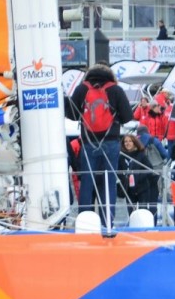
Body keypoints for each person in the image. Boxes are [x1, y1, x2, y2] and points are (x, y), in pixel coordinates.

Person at [66, 65, 134, 213]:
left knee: (87, 183)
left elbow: (71, 114)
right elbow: (128, 117)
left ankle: (85, 219)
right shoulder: (115, 90)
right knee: (108, 183)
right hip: (111, 142)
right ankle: (107, 221)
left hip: (88, 143)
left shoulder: (82, 89)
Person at [114, 124, 167, 216]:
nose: (128, 143)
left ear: (134, 142)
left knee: (143, 212)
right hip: (128, 188)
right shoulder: (121, 156)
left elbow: (148, 168)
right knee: (131, 212)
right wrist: (123, 180)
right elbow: (118, 171)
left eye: (130, 141)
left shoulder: (141, 154)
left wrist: (137, 176)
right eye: (125, 141)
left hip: (142, 187)